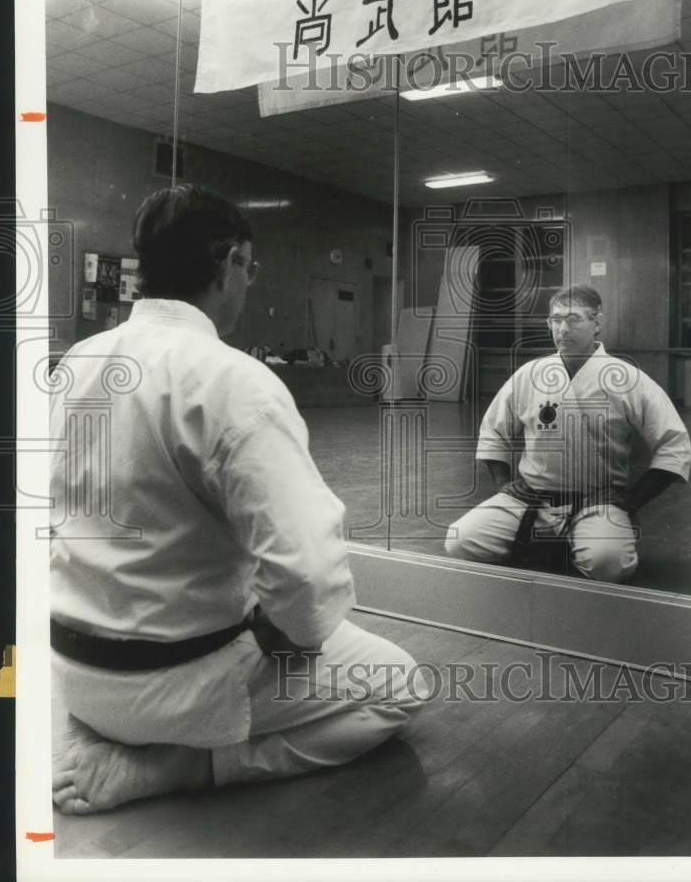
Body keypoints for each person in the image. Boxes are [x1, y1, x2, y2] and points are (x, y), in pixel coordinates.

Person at [50, 184, 426, 815]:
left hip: (74, 675)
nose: (247, 283)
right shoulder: (234, 380)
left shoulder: (73, 364)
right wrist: (290, 631)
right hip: (175, 687)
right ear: (228, 264)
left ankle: (117, 730)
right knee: (400, 684)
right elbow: (306, 579)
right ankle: (190, 766)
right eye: (248, 269)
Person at [445, 284, 691, 582]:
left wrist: (633, 501)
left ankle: (582, 537)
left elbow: (675, 446)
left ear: (597, 323)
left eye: (573, 319)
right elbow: (493, 432)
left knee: (609, 566)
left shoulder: (628, 379)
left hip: (598, 501)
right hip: (531, 497)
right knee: (460, 541)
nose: (562, 328)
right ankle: (560, 541)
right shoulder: (529, 374)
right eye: (555, 320)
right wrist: (502, 485)